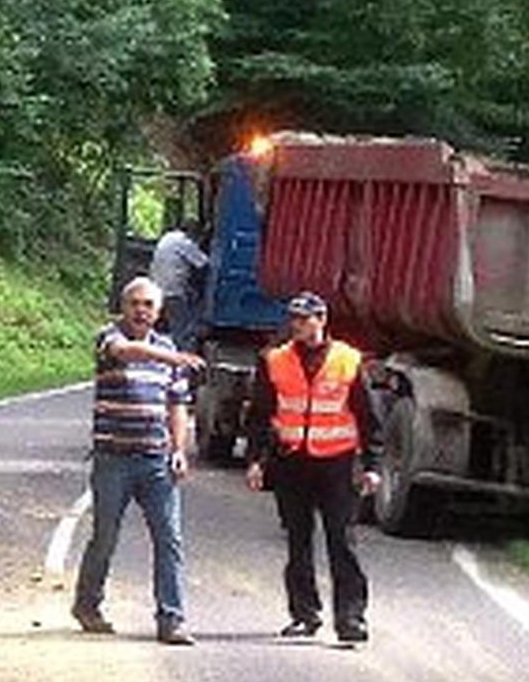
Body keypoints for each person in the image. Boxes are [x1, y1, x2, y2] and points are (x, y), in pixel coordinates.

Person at [243, 291, 380, 644]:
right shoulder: (275, 360)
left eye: (304, 319)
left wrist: (372, 464)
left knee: (342, 541)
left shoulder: (348, 360)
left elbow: (368, 415)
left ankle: (350, 618)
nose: (297, 326)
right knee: (297, 541)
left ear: (322, 320)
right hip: (292, 462)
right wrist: (256, 460)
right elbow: (259, 415)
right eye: (294, 319)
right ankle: (304, 614)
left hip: (338, 462)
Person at [72, 274, 201, 645]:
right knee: (105, 536)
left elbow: (177, 406)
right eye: (135, 303)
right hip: (113, 458)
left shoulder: (167, 348)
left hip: (156, 460)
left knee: (169, 539)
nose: (141, 311)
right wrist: (173, 357)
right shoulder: (108, 338)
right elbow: (127, 352)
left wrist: (178, 449)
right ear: (123, 307)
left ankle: (171, 619)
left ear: (158, 311)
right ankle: (88, 604)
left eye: (148, 305)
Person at [148, 221, 213, 351]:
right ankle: (184, 360)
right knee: (182, 331)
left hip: (155, 289)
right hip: (173, 292)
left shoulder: (167, 238)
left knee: (155, 328)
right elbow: (204, 263)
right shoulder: (184, 243)